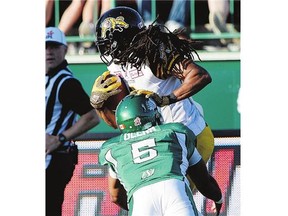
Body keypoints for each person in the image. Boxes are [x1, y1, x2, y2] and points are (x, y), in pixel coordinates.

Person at [90, 6, 214, 190]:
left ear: (125, 39)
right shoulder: (116, 63)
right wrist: (99, 105)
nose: (108, 49)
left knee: (175, 198)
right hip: (158, 143)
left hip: (190, 135)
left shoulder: (154, 51)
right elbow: (123, 123)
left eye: (111, 43)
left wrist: (166, 99)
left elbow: (200, 75)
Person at [99, 94, 223, 215]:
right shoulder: (176, 132)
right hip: (174, 192)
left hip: (141, 200)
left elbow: (115, 195)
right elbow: (203, 181)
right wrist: (218, 199)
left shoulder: (113, 149)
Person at [45, 26, 100, 216]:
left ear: (65, 49)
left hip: (55, 158)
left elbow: (92, 116)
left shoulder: (65, 82)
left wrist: (59, 138)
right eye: (44, 47)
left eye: (54, 47)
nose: (48, 52)